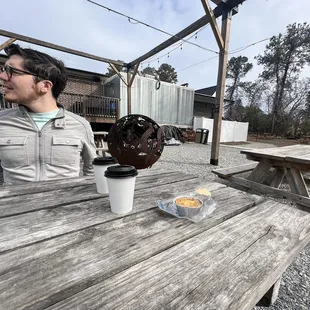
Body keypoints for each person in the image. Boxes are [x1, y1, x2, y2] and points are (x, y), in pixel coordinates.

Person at [0, 44, 97, 185]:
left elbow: (92, 170)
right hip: (15, 206)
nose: (2, 76)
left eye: (11, 71)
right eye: (4, 69)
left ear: (45, 86)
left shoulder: (80, 125)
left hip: (67, 205)